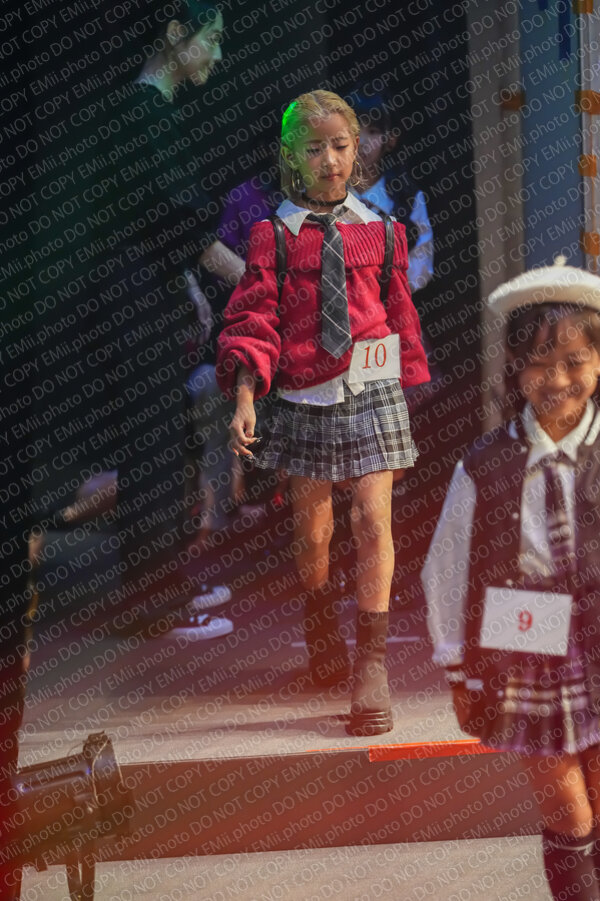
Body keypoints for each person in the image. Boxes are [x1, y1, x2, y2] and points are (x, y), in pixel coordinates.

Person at [217, 90, 429, 736]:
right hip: (307, 394)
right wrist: (246, 394)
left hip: (373, 389)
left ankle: (372, 665)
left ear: (358, 147)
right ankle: (319, 618)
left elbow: (399, 314)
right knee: (313, 535)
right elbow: (254, 318)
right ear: (291, 157)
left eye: (340, 145)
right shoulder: (274, 237)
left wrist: (410, 389)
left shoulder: (382, 230)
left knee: (370, 519)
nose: (331, 160)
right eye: (315, 149)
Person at [423, 259, 600, 900]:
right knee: (568, 811)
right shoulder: (486, 463)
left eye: (575, 361)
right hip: (529, 645)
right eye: (538, 363)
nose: (557, 380)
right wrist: (458, 670)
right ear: (516, 369)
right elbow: (446, 570)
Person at [75, 1, 242, 638]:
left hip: (147, 291)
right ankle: (153, 607)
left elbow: (156, 226)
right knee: (150, 448)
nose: (219, 53)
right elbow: (181, 223)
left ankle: (165, 586)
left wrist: (190, 288)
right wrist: (258, 281)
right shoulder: (139, 111)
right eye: (212, 38)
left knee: (164, 444)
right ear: (175, 34)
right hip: (128, 299)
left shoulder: (157, 111)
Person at [349, 87, 434, 296]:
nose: (362, 142)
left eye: (372, 132)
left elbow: (421, 265)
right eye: (354, 131)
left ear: (391, 139)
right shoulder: (322, 196)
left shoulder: (408, 198)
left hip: (390, 306)